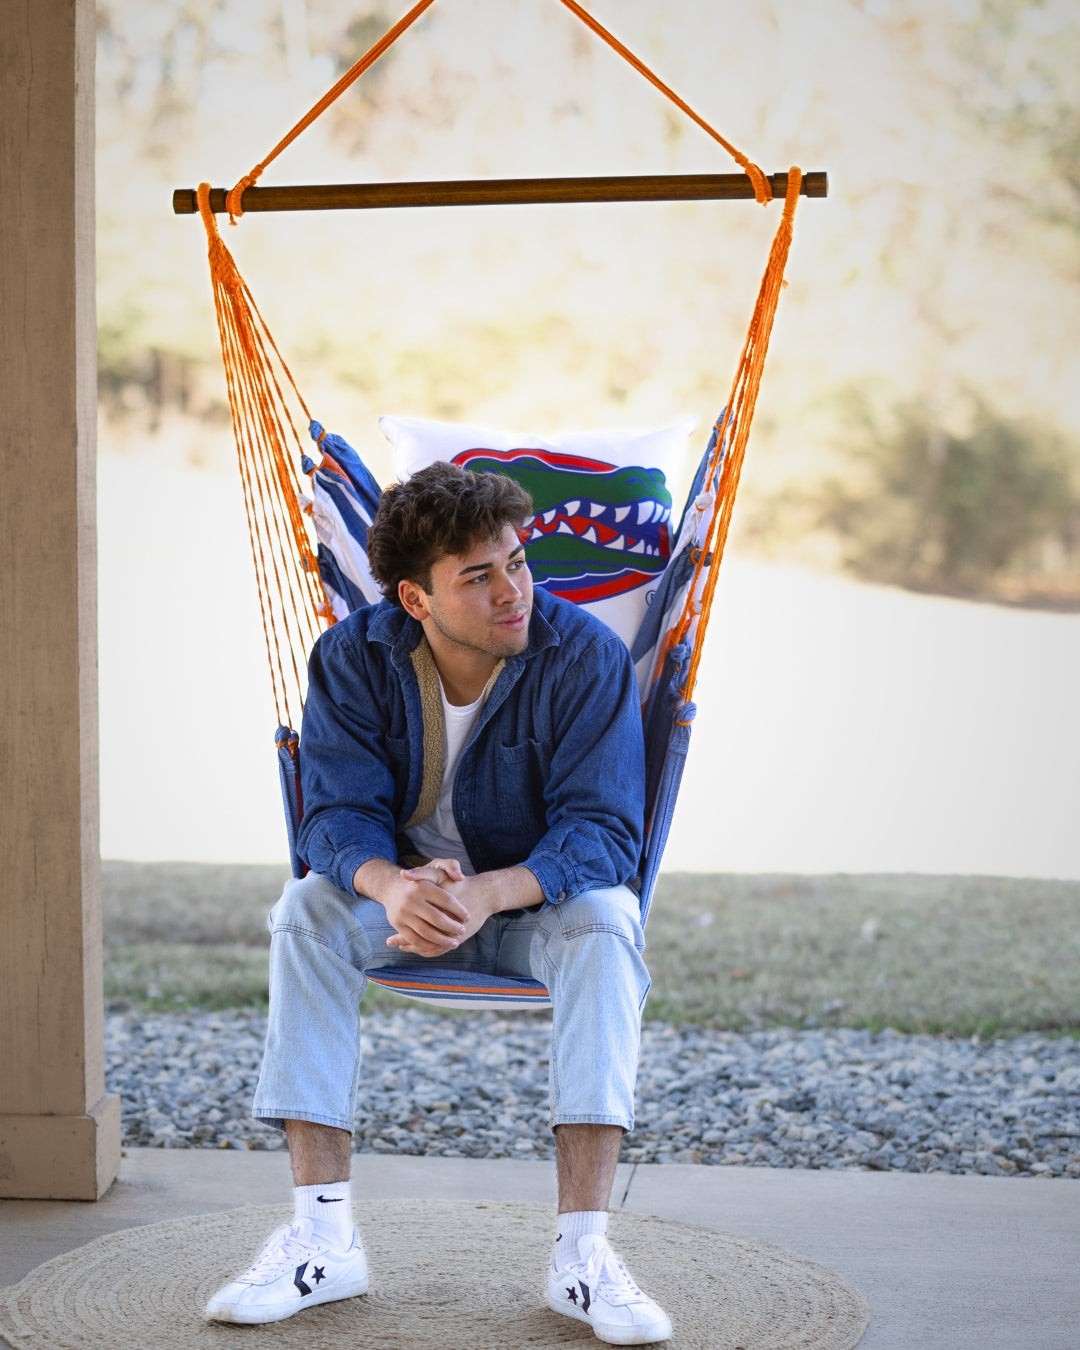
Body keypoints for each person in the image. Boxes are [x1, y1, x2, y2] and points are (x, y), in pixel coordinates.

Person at [205, 460, 672, 1345]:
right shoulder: (353, 656)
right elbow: (335, 815)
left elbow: (607, 834)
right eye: (480, 576)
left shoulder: (583, 657)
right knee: (306, 908)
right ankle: (322, 1237)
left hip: (532, 912)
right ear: (415, 601)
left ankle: (583, 1257)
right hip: (403, 905)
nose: (514, 592)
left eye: (519, 561)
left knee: (610, 920)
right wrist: (391, 884)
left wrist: (490, 893)